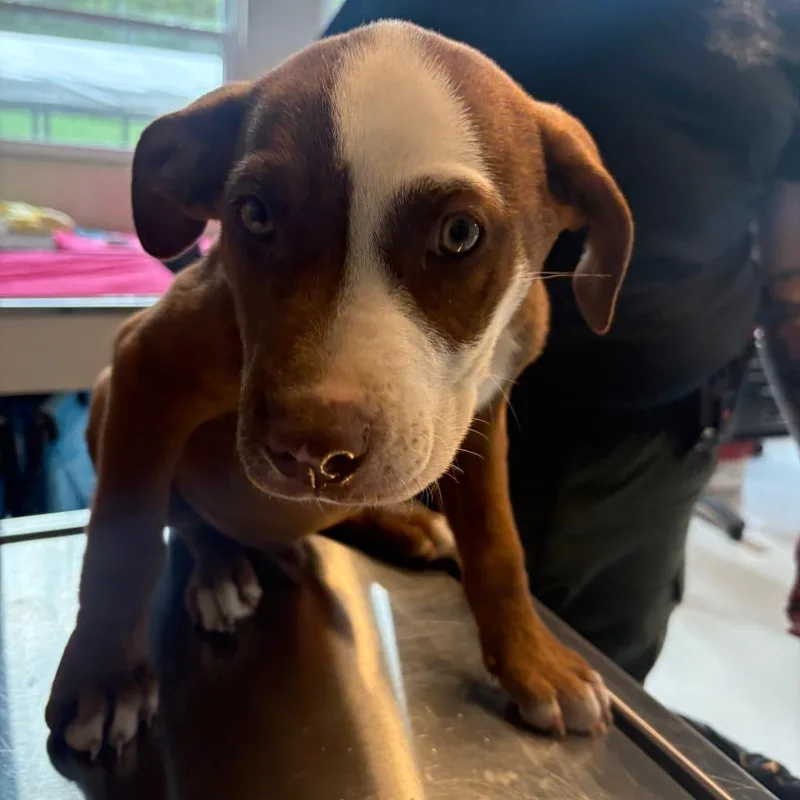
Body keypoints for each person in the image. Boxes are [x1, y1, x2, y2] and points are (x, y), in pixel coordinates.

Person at [324, 0, 800, 683]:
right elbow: (310, 142)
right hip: (431, 420)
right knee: (383, 681)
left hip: (657, 455)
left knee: (601, 696)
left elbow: (793, 272)